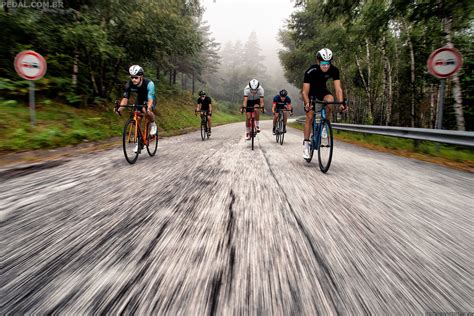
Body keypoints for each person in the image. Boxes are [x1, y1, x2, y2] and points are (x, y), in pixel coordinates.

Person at [302, 48, 348, 159]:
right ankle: (306, 145)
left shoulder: (334, 70)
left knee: (331, 99)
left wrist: (342, 103)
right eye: (323, 63)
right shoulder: (310, 71)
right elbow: (304, 91)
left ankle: (324, 125)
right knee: (310, 116)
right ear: (318, 61)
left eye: (328, 63)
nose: (326, 66)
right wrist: (307, 103)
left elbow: (338, 89)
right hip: (311, 93)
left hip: (322, 91)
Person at [115, 65, 157, 152]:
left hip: (150, 99)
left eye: (136, 77)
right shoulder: (129, 84)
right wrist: (119, 109)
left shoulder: (149, 84)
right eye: (132, 77)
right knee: (137, 119)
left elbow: (150, 99)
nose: (133, 79)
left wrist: (148, 108)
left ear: (141, 77)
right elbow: (125, 99)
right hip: (140, 99)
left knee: (146, 111)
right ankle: (139, 142)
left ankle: (153, 124)